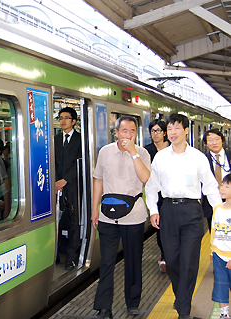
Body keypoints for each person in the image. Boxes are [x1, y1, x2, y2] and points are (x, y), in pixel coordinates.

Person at [146, 113, 221, 319]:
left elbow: (211, 187)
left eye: (177, 128)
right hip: (168, 210)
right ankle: (182, 299)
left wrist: (220, 212)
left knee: (189, 261)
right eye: (169, 129)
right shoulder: (160, 157)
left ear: (186, 131)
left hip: (191, 212)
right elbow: (152, 187)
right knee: (171, 261)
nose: (172, 132)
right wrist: (153, 209)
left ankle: (184, 310)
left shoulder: (198, 157)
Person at [91, 116, 151, 319]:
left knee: (133, 261)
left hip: (133, 216)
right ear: (116, 132)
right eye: (124, 131)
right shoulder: (105, 151)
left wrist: (134, 153)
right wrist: (94, 209)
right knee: (107, 261)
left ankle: (133, 302)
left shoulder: (142, 152)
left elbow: (145, 179)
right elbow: (98, 180)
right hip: (108, 216)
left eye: (132, 131)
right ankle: (104, 307)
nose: (128, 135)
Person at [54, 107, 82, 270]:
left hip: (73, 187)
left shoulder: (80, 140)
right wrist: (56, 182)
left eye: (66, 118)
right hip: (58, 186)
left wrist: (65, 180)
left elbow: (80, 162)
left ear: (74, 121)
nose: (63, 121)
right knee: (56, 220)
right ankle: (56, 254)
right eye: (60, 117)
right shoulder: (56, 139)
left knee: (73, 221)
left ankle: (71, 257)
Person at [144, 119, 170, 273]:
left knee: (171, 226)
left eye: (158, 130)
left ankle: (172, 255)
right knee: (160, 228)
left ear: (165, 133)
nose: (155, 134)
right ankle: (164, 256)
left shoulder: (173, 149)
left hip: (171, 194)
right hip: (156, 195)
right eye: (153, 131)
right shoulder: (146, 151)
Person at [211, 173, 231, 319]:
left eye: (227, 186)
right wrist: (212, 251)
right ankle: (224, 315)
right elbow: (214, 230)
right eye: (222, 185)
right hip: (219, 255)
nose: (222, 189)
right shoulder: (217, 209)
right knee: (220, 286)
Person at [203, 129, 231, 231]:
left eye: (217, 139)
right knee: (216, 234)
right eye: (210, 140)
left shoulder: (230, 155)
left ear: (222, 141)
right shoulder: (203, 160)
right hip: (212, 203)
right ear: (206, 144)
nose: (214, 143)